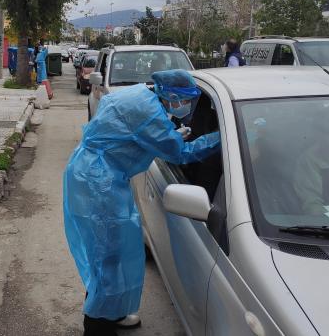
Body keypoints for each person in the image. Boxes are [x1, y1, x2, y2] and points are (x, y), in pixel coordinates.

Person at [63, 69, 221, 336]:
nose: (187, 106)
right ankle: (97, 325)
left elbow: (132, 132)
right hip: (99, 183)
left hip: (96, 173)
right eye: (185, 99)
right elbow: (181, 154)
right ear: (170, 96)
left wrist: (169, 133)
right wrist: (219, 138)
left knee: (110, 253)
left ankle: (111, 311)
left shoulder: (142, 95)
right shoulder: (150, 114)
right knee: (107, 255)